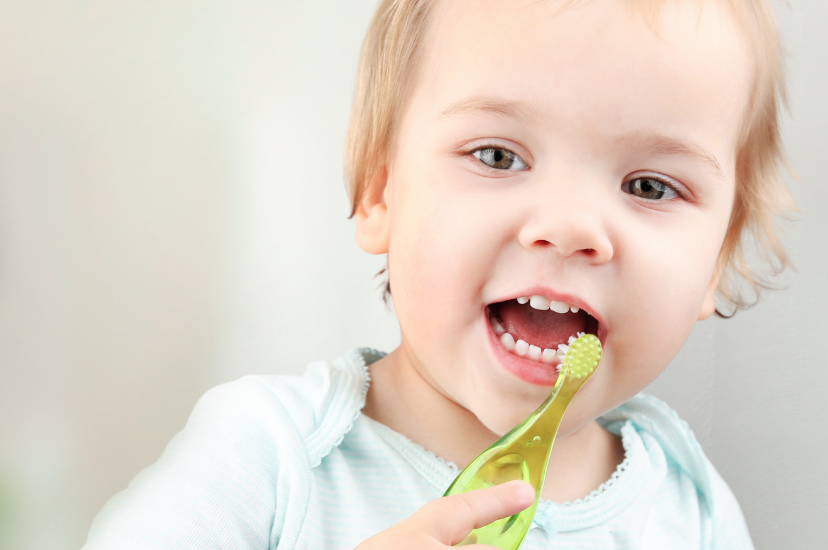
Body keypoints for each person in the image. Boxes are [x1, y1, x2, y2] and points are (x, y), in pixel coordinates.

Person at [84, 0, 792, 548]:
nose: (572, 226)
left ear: (717, 262)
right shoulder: (271, 457)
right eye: (497, 156)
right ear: (381, 193)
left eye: (648, 187)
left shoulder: (689, 509)